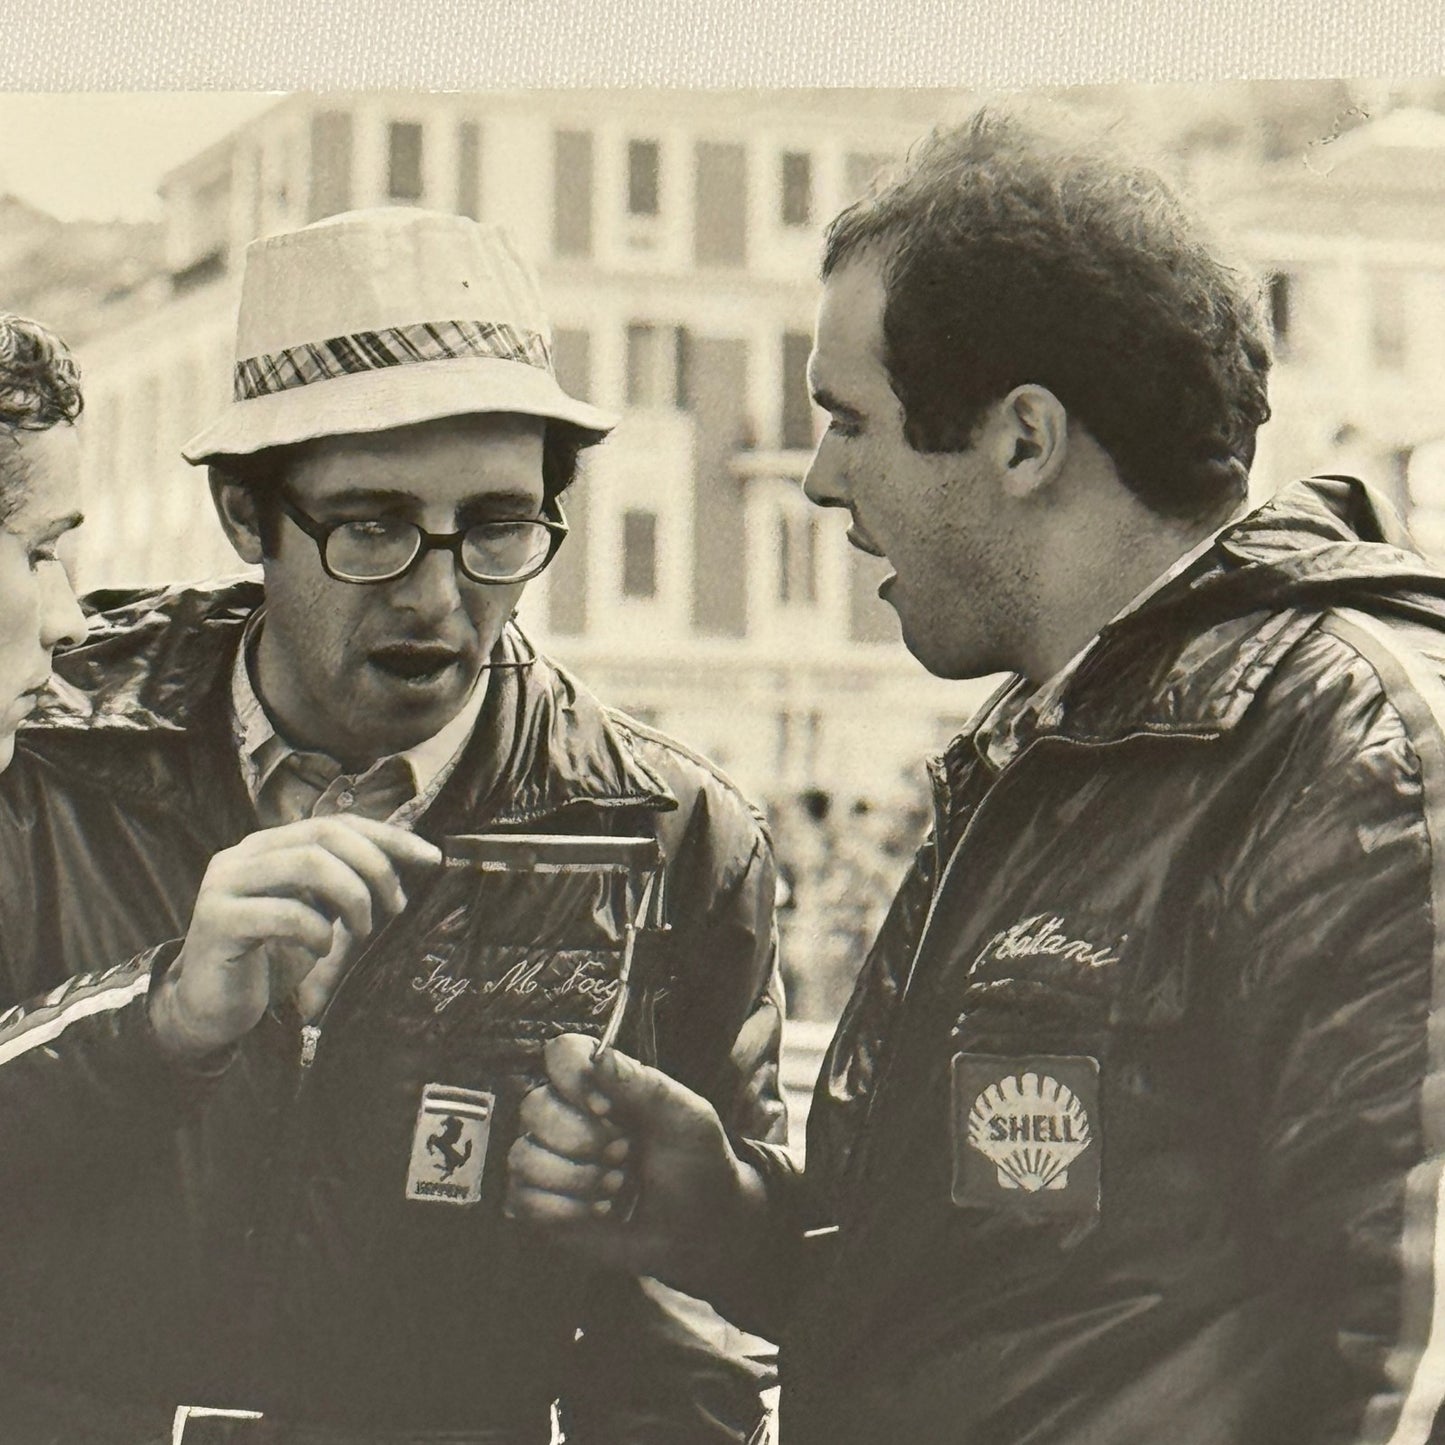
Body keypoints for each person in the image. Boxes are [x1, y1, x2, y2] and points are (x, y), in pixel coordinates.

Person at [506, 105, 1445, 1443]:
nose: (822, 482)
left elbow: (1414, 1365)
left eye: (851, 421)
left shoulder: (1358, 750)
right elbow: (1040, 1307)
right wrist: (735, 1224)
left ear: (1022, 440)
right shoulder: (1066, 749)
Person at [0, 210, 785, 1444]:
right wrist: (156, 1020)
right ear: (246, 517)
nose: (437, 590)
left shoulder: (670, 832)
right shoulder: (38, 746)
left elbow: (685, 1333)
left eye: (495, 526)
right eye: (369, 525)